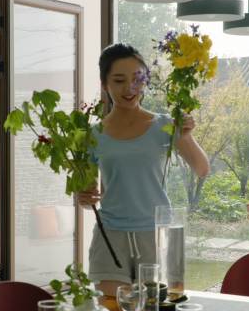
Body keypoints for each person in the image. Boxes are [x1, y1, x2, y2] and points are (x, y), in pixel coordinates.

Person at [79, 43, 210, 297]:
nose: (130, 88)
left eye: (137, 79)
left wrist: (187, 135)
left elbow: (202, 169)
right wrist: (84, 198)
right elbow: (87, 198)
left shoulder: (165, 125)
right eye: (119, 80)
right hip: (110, 237)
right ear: (105, 84)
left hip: (157, 234)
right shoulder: (93, 135)